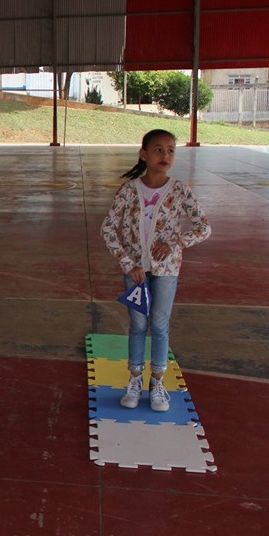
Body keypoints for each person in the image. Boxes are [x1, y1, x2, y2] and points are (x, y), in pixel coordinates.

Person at [100, 129, 212, 412]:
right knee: (138, 325)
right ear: (144, 154)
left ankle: (158, 383)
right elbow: (108, 228)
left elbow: (204, 227)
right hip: (135, 271)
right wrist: (128, 264)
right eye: (159, 149)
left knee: (160, 325)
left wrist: (177, 241)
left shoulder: (180, 191)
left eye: (171, 150)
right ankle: (135, 379)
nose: (165, 155)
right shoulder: (128, 190)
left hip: (167, 270)